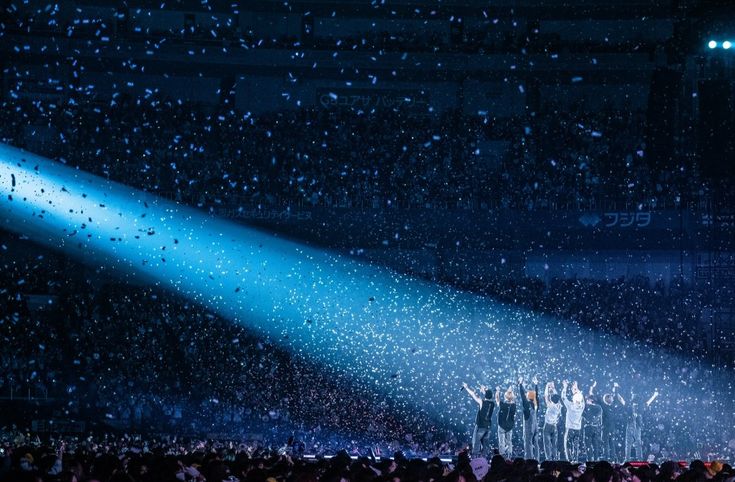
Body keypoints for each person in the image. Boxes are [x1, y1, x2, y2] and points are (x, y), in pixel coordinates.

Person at [619, 387, 659, 460]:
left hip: (634, 425)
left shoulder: (634, 405)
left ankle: (633, 459)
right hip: (634, 424)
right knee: (635, 443)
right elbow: (648, 402)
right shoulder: (638, 405)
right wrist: (654, 396)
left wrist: (617, 392)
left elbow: (622, 400)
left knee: (632, 443)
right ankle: (637, 459)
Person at [462, 382, 495, 457]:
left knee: (476, 444)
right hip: (488, 427)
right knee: (485, 447)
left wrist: (467, 387)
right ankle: (484, 462)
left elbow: (473, 395)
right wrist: (484, 389)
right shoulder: (492, 404)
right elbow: (488, 395)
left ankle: (475, 462)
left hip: (480, 426)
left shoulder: (482, 402)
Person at [561, 380, 585, 462]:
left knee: (567, 445)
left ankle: (569, 460)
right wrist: (577, 388)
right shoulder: (582, 406)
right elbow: (582, 399)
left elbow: (563, 397)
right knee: (576, 446)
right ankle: (576, 460)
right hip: (577, 429)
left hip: (570, 429)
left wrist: (565, 387)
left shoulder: (570, 405)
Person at [519, 376, 540, 460]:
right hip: (535, 426)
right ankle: (537, 459)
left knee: (528, 443)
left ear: (528, 397)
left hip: (528, 427)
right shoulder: (535, 404)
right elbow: (536, 395)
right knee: (536, 443)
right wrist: (536, 385)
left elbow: (522, 395)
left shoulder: (526, 404)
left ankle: (529, 460)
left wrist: (520, 384)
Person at [583, 382, 603, 461]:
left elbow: (584, 415)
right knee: (595, 445)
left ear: (590, 400)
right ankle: (595, 459)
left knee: (588, 445)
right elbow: (598, 417)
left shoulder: (588, 407)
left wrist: (589, 421)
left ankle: (590, 460)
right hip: (596, 428)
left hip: (588, 427)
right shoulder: (599, 407)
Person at [542, 381, 562, 461]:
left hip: (548, 426)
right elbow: (557, 397)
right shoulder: (559, 405)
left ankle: (549, 459)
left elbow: (546, 396)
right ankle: (555, 458)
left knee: (547, 444)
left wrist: (547, 386)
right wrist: (553, 388)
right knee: (554, 444)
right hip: (554, 426)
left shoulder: (550, 405)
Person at [496, 384, 516, 459]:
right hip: (509, 426)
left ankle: (502, 456)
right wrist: (510, 390)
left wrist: (497, 391)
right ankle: (509, 456)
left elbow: (497, 399)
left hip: (502, 425)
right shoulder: (514, 405)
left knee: (502, 442)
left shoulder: (502, 405)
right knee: (509, 442)